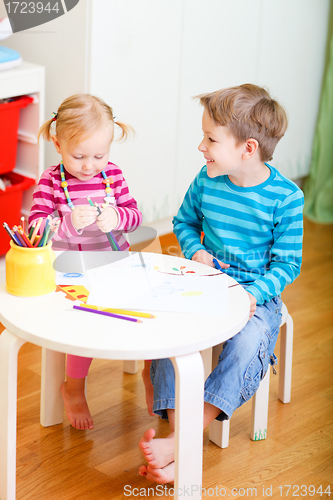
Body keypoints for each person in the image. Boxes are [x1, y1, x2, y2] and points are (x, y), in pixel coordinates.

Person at [139, 83, 304, 484]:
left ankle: (179, 442)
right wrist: (195, 251)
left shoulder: (286, 198)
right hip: (203, 282)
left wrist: (253, 294)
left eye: (210, 138)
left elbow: (288, 264)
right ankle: (181, 440)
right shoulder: (207, 179)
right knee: (170, 332)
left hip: (255, 296)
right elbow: (184, 222)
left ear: (248, 149)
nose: (201, 146)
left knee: (248, 343)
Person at [29, 94, 142, 430]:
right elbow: (35, 228)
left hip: (112, 263)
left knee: (148, 311)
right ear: (57, 142)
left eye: (99, 155)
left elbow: (135, 216)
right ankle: (74, 388)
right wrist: (68, 224)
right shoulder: (51, 181)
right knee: (85, 325)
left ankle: (151, 378)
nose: (90, 165)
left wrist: (117, 217)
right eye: (78, 156)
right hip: (72, 270)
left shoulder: (114, 176)